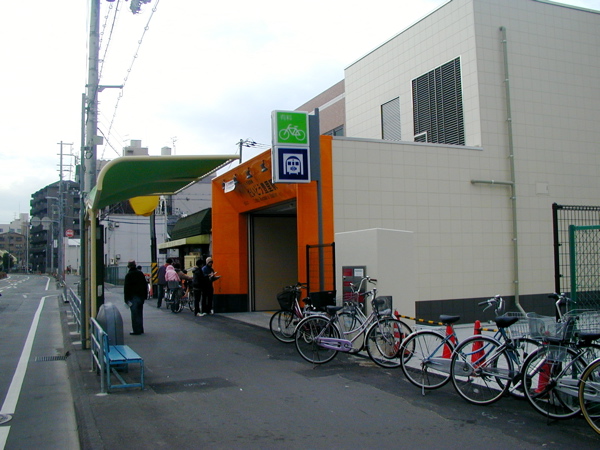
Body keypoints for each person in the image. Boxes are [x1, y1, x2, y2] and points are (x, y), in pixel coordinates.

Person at [124, 260, 148, 335]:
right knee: (140, 313)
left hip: (132, 297)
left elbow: (126, 288)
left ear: (129, 267)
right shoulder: (140, 273)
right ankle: (140, 329)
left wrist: (126, 299)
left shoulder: (128, 275)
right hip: (141, 296)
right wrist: (145, 296)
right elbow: (145, 285)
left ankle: (136, 330)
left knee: (134, 314)